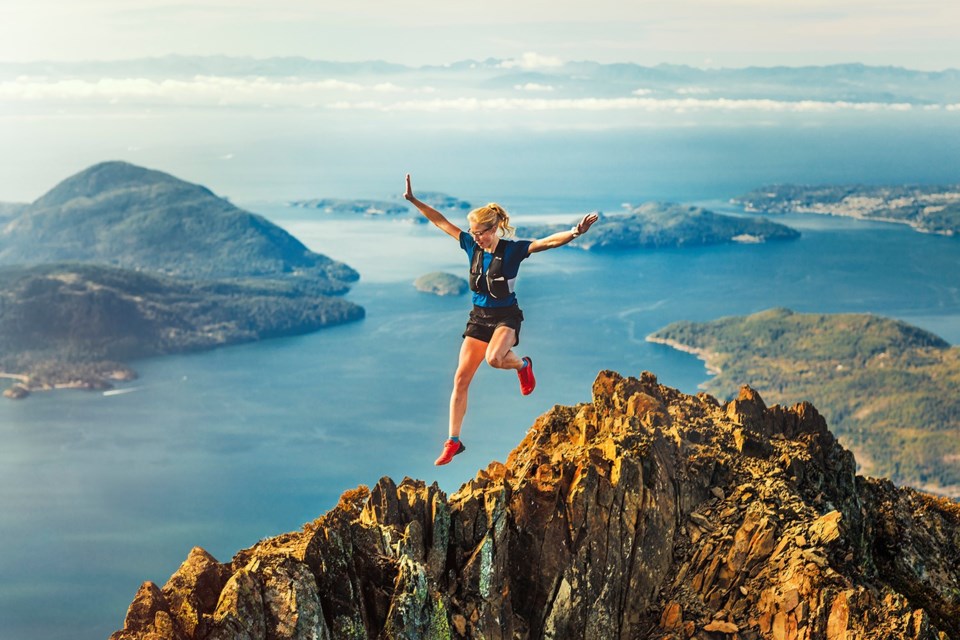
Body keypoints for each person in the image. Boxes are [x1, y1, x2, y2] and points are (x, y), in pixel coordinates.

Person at [403, 174, 599, 465]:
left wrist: (575, 232)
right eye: (473, 232)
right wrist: (414, 200)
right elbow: (441, 221)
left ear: (494, 229)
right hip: (478, 319)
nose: (475, 237)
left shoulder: (513, 250)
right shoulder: (471, 246)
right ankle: (453, 441)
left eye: (480, 232)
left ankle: (523, 364)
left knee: (495, 358)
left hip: (506, 317)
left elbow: (546, 243)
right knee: (460, 378)